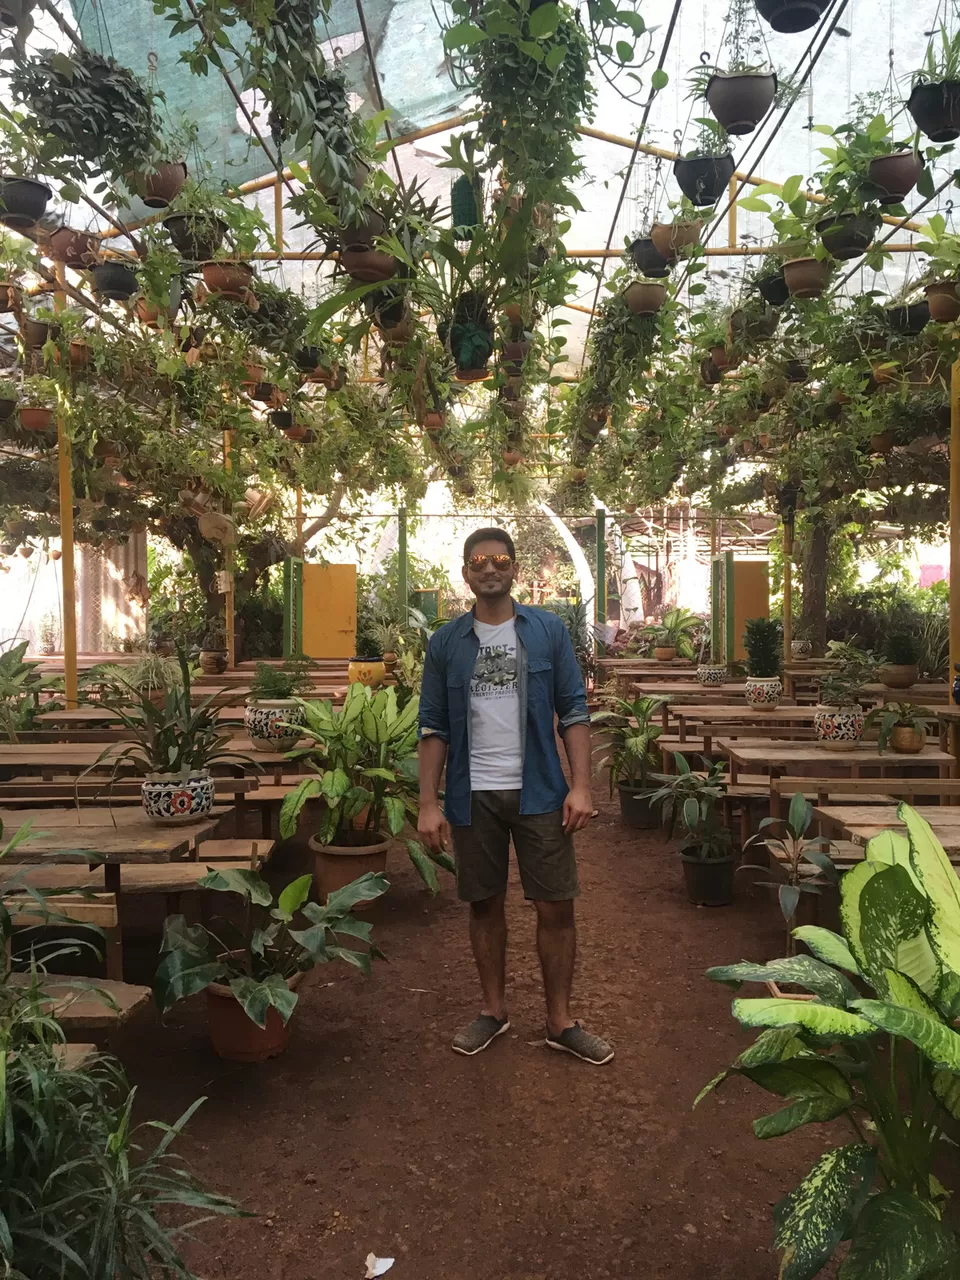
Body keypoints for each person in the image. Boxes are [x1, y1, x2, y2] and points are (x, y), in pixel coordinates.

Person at [417, 527, 614, 1065]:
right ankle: (493, 1010)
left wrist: (580, 785)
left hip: (541, 792)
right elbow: (432, 725)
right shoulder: (446, 643)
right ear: (465, 573)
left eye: (499, 559)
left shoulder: (546, 631)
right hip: (471, 793)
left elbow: (573, 708)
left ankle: (560, 1021)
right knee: (484, 903)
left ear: (514, 569)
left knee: (556, 906)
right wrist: (428, 803)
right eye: (478, 560)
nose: (489, 568)